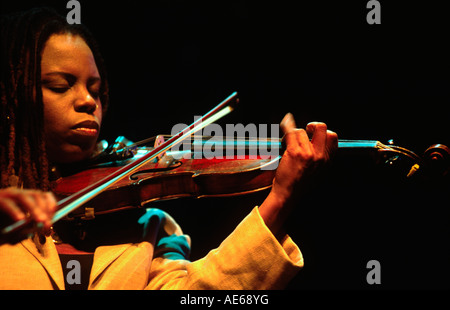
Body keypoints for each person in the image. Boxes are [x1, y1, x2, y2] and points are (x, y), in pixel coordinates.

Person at [0, 8, 338, 290]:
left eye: (96, 89)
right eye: (61, 85)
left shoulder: (147, 225)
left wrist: (280, 199)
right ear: (12, 95)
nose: (88, 101)